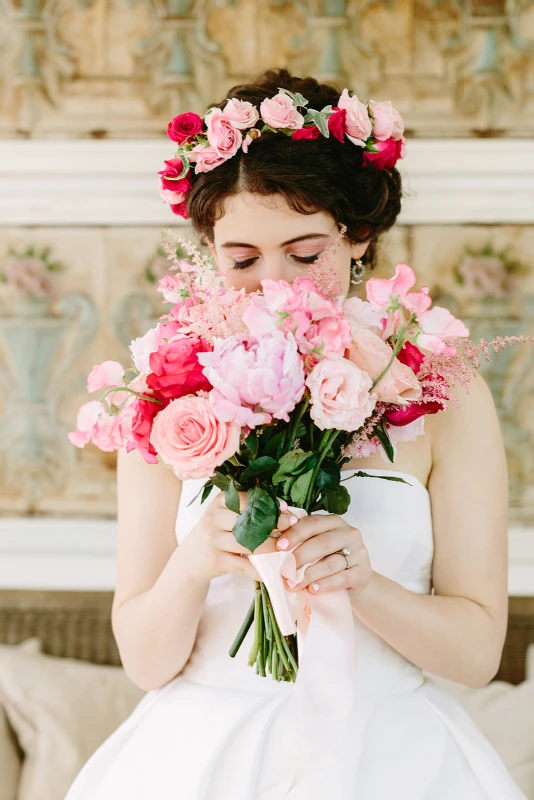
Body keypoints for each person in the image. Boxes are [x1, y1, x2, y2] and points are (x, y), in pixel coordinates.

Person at [64, 69, 526, 799]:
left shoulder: (442, 395)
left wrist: (364, 584)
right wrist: (196, 561)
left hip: (391, 759)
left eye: (305, 255)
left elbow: (475, 654)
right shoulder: (168, 387)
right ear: (209, 248)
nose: (272, 284)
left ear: (358, 236)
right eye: (241, 260)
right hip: (196, 760)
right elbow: (145, 663)